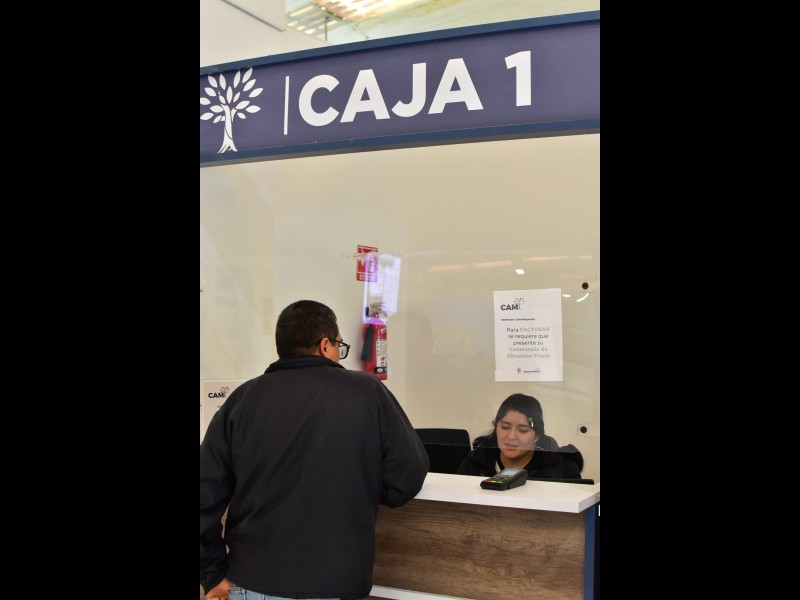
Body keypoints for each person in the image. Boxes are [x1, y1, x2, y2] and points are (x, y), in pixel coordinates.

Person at [200, 299, 430, 600]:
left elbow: (204, 494)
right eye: (339, 345)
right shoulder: (367, 391)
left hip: (253, 580)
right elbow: (407, 478)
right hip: (337, 580)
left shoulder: (242, 400)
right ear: (324, 345)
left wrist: (212, 573)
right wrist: (362, 485)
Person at [456, 393, 583, 479]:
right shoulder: (476, 462)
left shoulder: (562, 470)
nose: (511, 436)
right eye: (505, 427)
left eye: (523, 430)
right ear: (496, 427)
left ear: (537, 436)